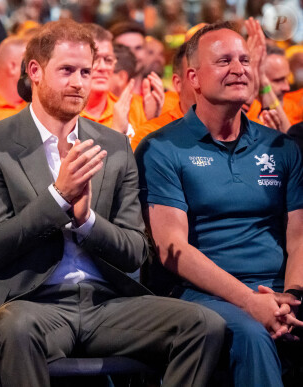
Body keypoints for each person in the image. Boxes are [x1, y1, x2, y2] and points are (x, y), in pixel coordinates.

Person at [0, 19, 226, 387]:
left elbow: (135, 251)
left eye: (86, 71)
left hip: (106, 303)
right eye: (67, 70)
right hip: (31, 303)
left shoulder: (115, 145)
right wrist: (58, 198)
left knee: (204, 325)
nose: (79, 82)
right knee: (16, 326)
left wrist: (87, 220)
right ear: (35, 72)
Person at [135, 22, 303, 386]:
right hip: (203, 295)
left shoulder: (281, 147)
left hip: (279, 290)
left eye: (244, 60)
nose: (239, 69)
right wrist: (250, 301)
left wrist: (290, 296)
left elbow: (298, 236)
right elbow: (171, 248)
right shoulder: (161, 148)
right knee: (252, 335)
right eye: (224, 61)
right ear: (193, 77)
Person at [131, 42, 195, 151]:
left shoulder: (171, 97)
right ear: (178, 83)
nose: (157, 58)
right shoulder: (149, 133)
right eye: (151, 52)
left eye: (161, 54)